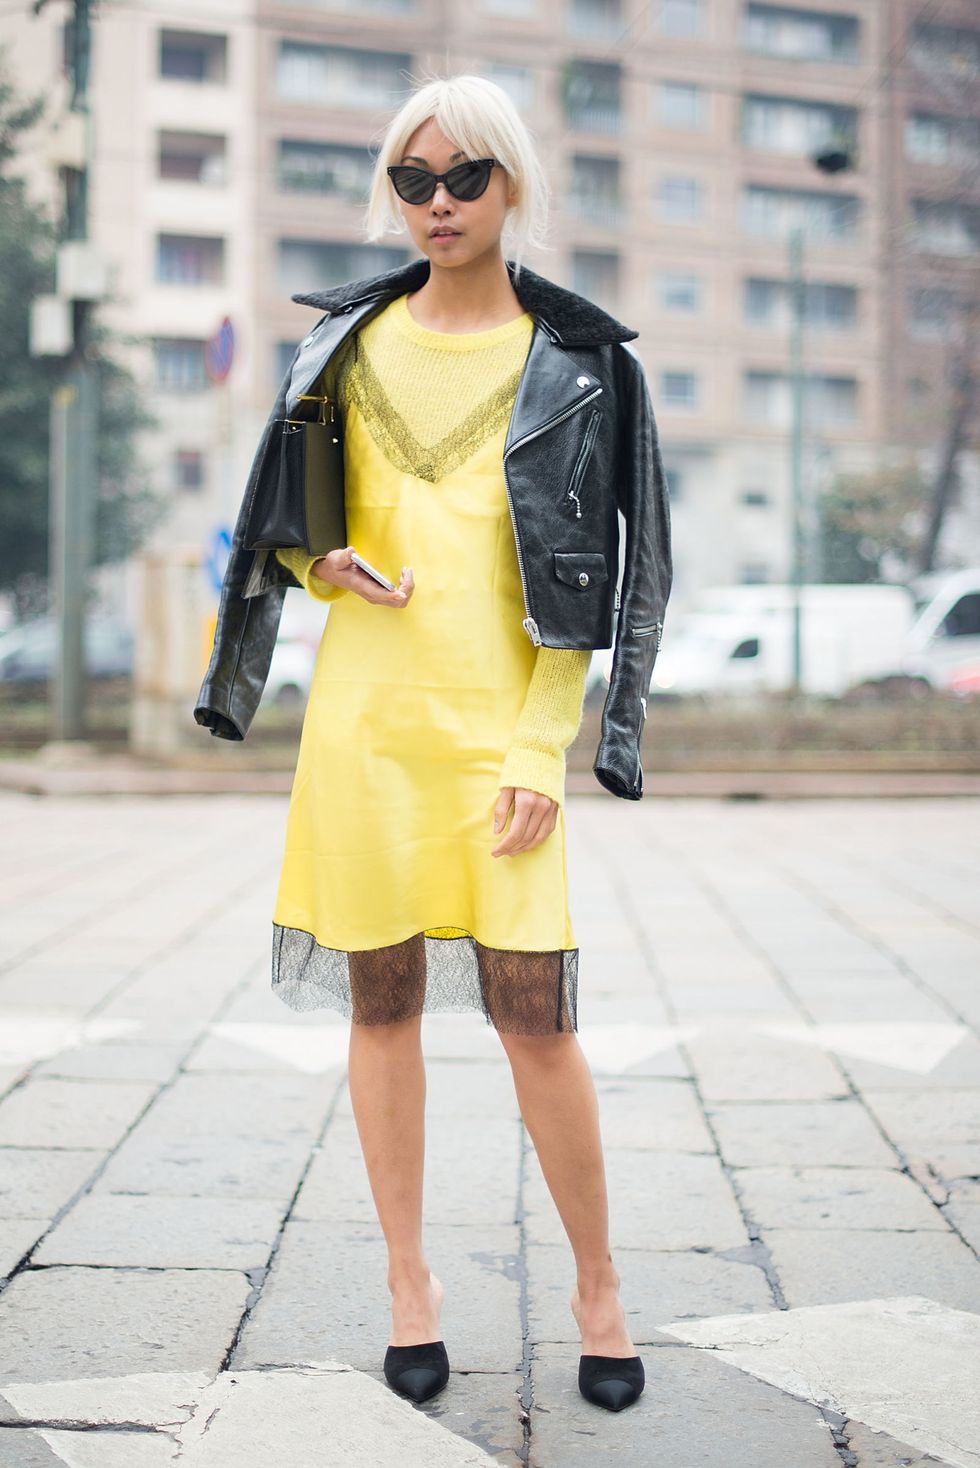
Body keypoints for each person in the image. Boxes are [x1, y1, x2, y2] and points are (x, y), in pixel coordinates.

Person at [202, 72, 672, 1415]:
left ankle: (599, 1288)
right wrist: (318, 554)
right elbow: (284, 520)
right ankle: (412, 1286)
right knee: (383, 1001)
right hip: (363, 729)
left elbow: (593, 577)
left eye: (465, 176)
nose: (439, 203)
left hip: (494, 739)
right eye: (414, 180)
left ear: (510, 182)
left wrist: (544, 748)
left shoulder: (580, 364)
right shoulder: (339, 346)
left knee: (537, 1015)